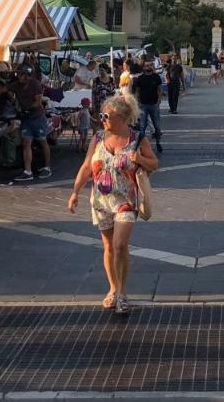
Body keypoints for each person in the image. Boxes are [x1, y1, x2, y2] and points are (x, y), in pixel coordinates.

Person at [66, 93, 157, 315]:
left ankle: (123, 292)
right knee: (108, 247)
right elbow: (87, 166)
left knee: (119, 245)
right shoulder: (98, 138)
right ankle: (113, 288)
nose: (103, 119)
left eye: (107, 115)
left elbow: (154, 164)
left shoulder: (137, 139)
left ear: (123, 119)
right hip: (101, 200)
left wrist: (140, 160)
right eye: (102, 115)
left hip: (126, 200)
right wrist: (75, 192)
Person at [13, 64, 53, 181]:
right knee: (26, 143)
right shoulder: (16, 85)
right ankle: (27, 171)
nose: (19, 77)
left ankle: (47, 167)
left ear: (27, 75)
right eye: (18, 74)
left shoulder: (35, 84)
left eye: (21, 74)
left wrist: (27, 109)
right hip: (26, 119)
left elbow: (38, 102)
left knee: (42, 141)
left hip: (37, 117)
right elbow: (4, 89)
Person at [133, 60, 164, 153]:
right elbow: (137, 91)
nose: (148, 67)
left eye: (150, 65)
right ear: (144, 67)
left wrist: (158, 101)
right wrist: (137, 102)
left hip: (154, 105)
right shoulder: (140, 78)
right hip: (143, 105)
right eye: (147, 66)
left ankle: (158, 142)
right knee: (142, 127)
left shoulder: (156, 77)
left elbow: (159, 90)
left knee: (157, 127)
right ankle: (138, 146)